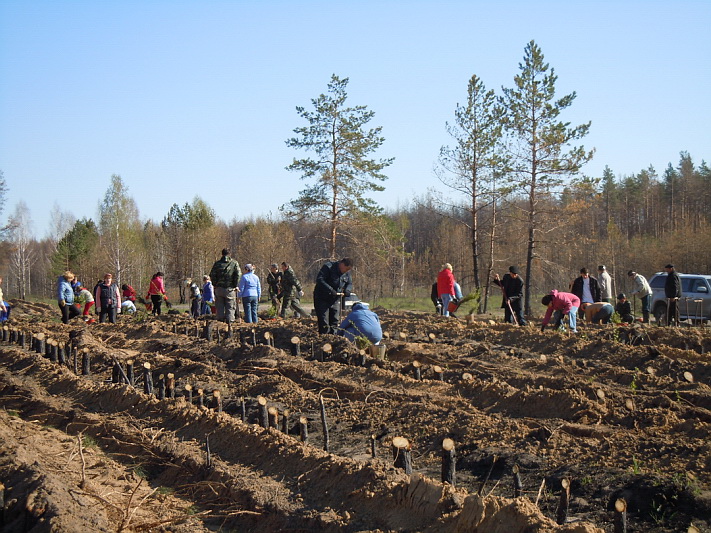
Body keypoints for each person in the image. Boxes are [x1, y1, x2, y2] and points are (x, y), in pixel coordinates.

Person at [314, 258, 353, 334]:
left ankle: (333, 339)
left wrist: (347, 290)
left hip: (335, 300)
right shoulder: (328, 267)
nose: (346, 271)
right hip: (322, 298)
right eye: (346, 269)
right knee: (324, 322)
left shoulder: (347, 273)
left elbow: (349, 283)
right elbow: (320, 279)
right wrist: (330, 290)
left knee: (335, 321)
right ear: (342, 264)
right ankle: (324, 339)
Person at [209, 248, 241, 324]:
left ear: (222, 254)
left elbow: (212, 275)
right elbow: (238, 275)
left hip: (219, 288)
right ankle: (230, 323)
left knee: (219, 306)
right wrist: (235, 285)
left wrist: (215, 284)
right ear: (229, 254)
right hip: (230, 289)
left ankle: (220, 323)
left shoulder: (217, 264)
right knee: (230, 306)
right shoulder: (234, 263)